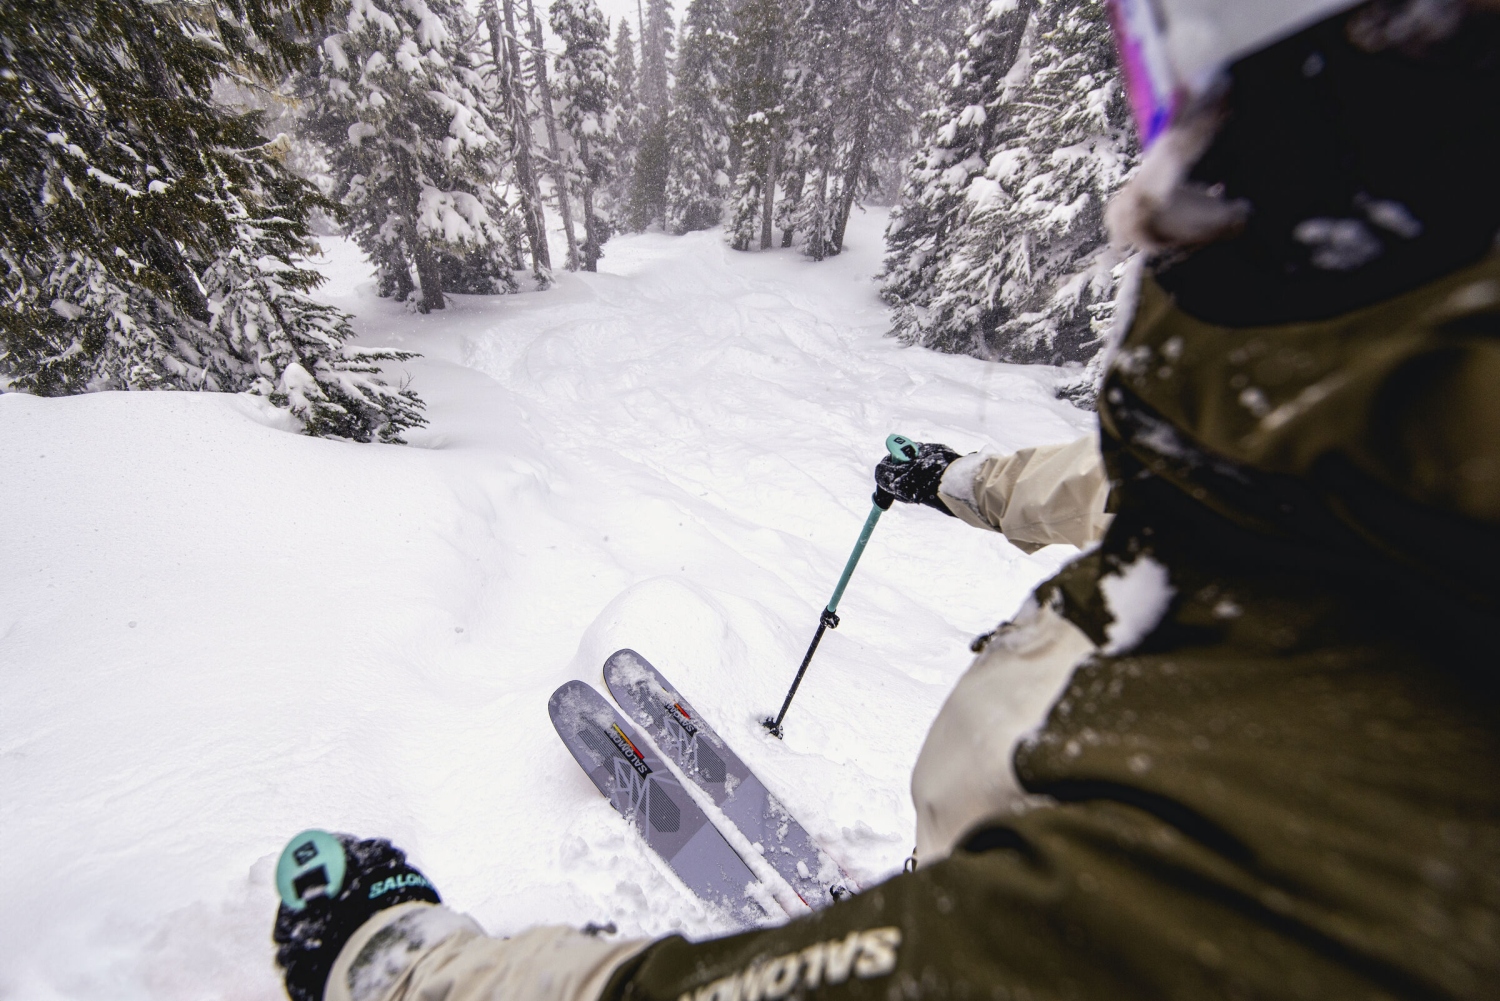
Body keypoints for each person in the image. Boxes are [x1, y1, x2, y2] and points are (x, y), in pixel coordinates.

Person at [272, 1, 1500, 998]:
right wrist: (951, 482)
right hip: (983, 855)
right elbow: (1123, 487)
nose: (1147, 189)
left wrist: (396, 965)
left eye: (1199, 92)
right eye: (1158, 76)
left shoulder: (1274, 863)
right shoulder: (1343, 484)